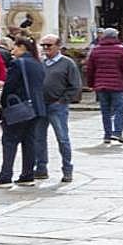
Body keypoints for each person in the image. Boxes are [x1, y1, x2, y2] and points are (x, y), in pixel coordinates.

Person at [0, 38, 46, 188]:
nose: (12, 51)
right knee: (29, 142)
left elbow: (9, 86)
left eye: (15, 47)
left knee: (9, 141)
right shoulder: (38, 63)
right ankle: (27, 175)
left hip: (19, 109)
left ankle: (5, 176)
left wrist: (3, 105)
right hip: (36, 108)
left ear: (22, 47)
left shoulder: (18, 63)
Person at [33, 34, 84, 184]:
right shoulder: (40, 62)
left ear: (58, 46)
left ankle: (67, 169)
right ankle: (41, 168)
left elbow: (75, 85)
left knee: (62, 138)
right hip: (41, 106)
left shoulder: (67, 63)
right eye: (43, 45)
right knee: (38, 138)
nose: (45, 48)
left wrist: (62, 100)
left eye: (49, 45)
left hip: (57, 106)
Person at [87, 28, 123, 145]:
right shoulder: (121, 49)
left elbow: (90, 69)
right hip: (118, 85)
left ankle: (107, 135)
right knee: (119, 110)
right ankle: (118, 132)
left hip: (101, 85)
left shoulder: (96, 49)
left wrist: (91, 84)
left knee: (105, 111)